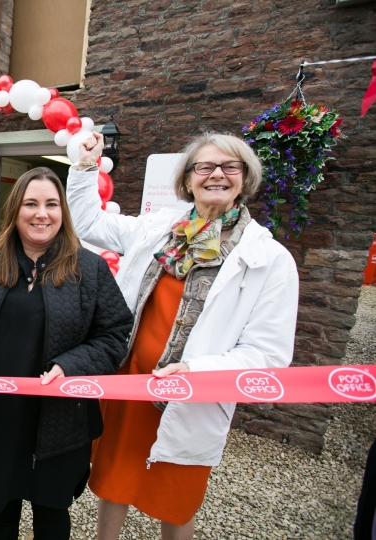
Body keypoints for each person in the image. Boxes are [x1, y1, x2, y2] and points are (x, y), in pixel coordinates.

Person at [65, 131, 299, 539]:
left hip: (190, 397)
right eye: (205, 166)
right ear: (188, 179)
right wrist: (86, 167)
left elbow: (268, 353)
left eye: (230, 167)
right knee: (114, 483)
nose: (217, 175)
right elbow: (88, 222)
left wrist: (195, 370)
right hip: (130, 387)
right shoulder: (159, 229)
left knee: (176, 498)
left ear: (245, 178)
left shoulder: (270, 260)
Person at [0, 167, 133, 540]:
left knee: (51, 513)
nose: (40, 213)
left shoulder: (89, 269)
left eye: (51, 204)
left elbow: (115, 334)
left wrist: (72, 364)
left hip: (60, 420)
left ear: (63, 211)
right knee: (2, 508)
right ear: (16, 209)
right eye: (31, 203)